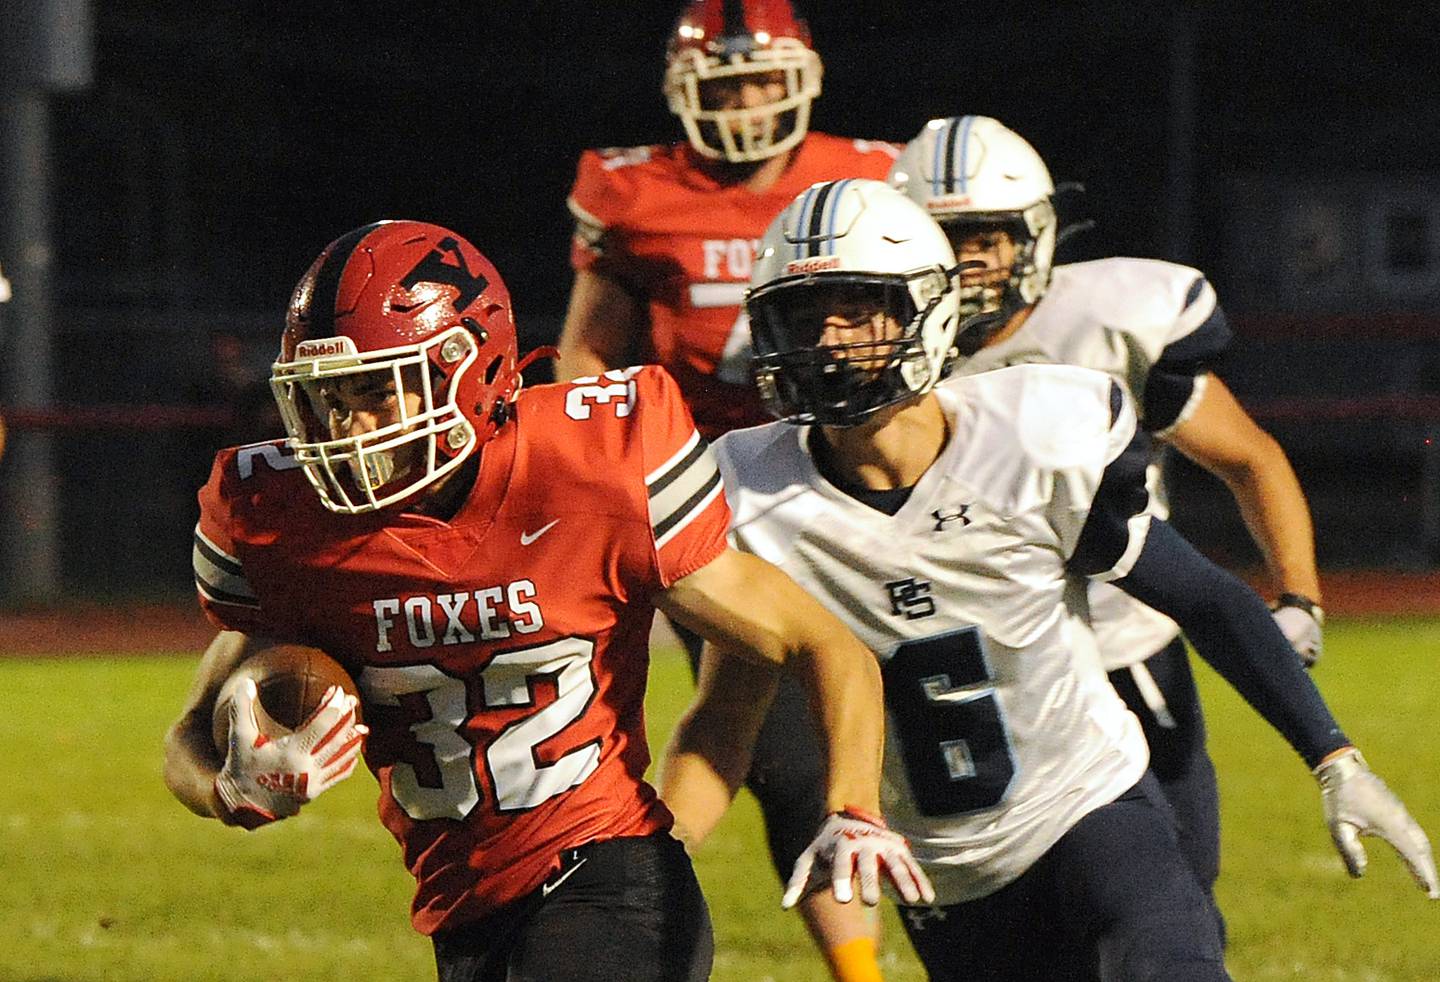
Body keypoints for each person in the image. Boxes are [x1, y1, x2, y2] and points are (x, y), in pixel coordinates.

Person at [668, 179, 1437, 981]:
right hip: (945, 871)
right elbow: (724, 719)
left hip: (1090, 807)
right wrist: (650, 857)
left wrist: (1334, 757)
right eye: (803, 315)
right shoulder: (749, 497)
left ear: (927, 311)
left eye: (858, 310)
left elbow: (1202, 597)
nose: (829, 342)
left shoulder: (1033, 436)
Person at [162, 220, 931, 982]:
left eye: (374, 391)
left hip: (611, 880)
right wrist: (228, 786)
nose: (346, 426)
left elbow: (825, 644)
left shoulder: (591, 465)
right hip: (463, 907)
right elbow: (189, 738)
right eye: (328, 398)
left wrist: (854, 807)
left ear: (464, 369)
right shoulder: (279, 522)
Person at [888, 115, 1323, 924]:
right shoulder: (885, 350)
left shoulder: (1105, 319)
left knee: (1180, 897)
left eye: (991, 235)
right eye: (949, 237)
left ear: (1040, 234)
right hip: (988, 674)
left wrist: (1298, 594)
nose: (971, 258)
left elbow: (1249, 458)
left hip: (1129, 642)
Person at [556, 3, 902, 977]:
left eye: (760, 81)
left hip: (857, 475)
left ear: (801, 77)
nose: (746, 103)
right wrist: (605, 468)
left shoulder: (875, 171)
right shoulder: (636, 191)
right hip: (719, 500)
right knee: (785, 741)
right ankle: (858, 965)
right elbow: (590, 349)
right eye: (725, 85)